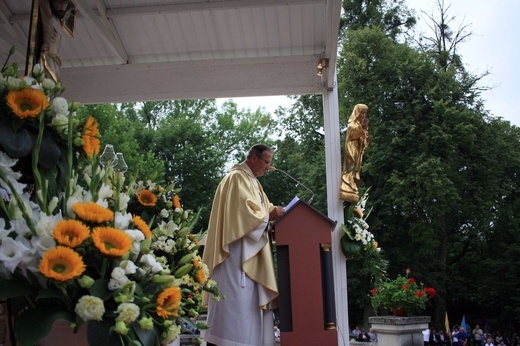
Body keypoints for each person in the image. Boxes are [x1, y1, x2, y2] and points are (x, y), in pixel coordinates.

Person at [202, 144, 285, 346]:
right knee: (236, 305)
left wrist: (278, 214)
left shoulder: (253, 183)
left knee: (248, 309)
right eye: (266, 162)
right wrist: (269, 216)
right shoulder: (236, 178)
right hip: (236, 255)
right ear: (254, 158)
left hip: (251, 253)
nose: (268, 168)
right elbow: (245, 215)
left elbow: (264, 210)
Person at [340, 103, 373, 203]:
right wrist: (362, 128)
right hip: (351, 151)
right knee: (349, 169)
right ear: (357, 113)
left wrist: (366, 141)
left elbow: (363, 143)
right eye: (362, 113)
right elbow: (352, 134)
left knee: (355, 172)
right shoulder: (352, 125)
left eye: (365, 113)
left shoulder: (360, 126)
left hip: (357, 153)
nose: (363, 116)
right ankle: (347, 187)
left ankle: (352, 187)